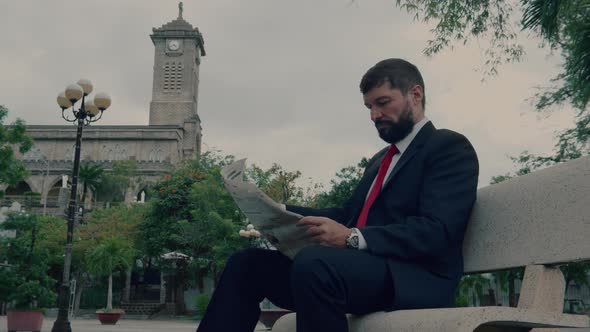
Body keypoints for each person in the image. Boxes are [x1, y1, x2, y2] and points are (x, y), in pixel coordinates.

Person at [196, 58, 479, 332]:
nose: (374, 115)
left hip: (413, 278)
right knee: (246, 264)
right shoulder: (380, 160)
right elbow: (348, 215)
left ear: (415, 95)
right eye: (369, 107)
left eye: (383, 103)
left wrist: (351, 238)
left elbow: (437, 231)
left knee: (315, 263)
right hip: (357, 274)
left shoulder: (448, 147)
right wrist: (274, 209)